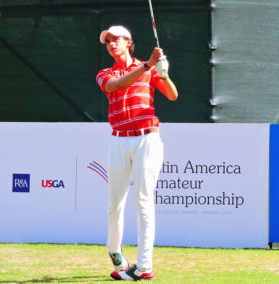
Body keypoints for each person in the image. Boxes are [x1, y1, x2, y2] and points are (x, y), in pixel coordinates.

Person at [96, 25, 178, 281]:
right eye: (108, 41)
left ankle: (144, 267)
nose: (111, 43)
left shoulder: (149, 68)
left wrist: (162, 73)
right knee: (115, 205)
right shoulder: (105, 73)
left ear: (128, 42)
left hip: (147, 139)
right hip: (119, 140)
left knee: (143, 201)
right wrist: (147, 66)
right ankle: (115, 252)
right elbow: (116, 85)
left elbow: (173, 95)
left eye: (116, 39)